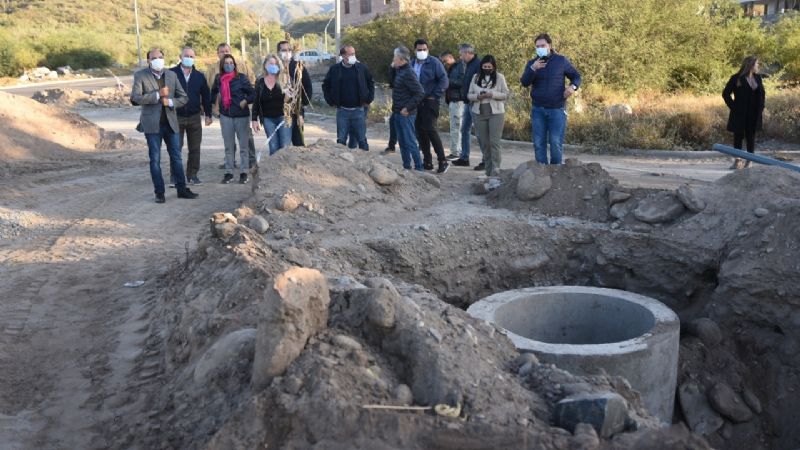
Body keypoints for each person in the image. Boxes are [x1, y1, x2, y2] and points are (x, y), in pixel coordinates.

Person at [130, 48, 198, 203]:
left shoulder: (172, 75)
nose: (158, 60)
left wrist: (172, 102)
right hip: (152, 125)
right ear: (148, 61)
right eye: (154, 58)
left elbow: (184, 97)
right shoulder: (140, 75)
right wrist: (157, 95)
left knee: (177, 157)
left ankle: (182, 189)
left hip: (171, 122)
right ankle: (159, 192)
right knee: (155, 159)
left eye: (160, 57)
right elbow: (135, 97)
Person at [520, 33, 581, 165]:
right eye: (537, 46)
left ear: (550, 46)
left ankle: (556, 171)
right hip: (538, 109)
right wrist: (533, 69)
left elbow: (576, 76)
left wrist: (572, 87)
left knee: (555, 142)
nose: (540, 48)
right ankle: (541, 172)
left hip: (557, 109)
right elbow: (524, 82)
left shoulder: (561, 61)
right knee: (538, 143)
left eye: (543, 45)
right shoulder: (532, 63)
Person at [207, 43, 257, 170]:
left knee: (246, 137)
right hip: (223, 110)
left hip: (241, 110)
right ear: (217, 54)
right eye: (222, 51)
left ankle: (251, 160)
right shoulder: (213, 70)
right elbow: (209, 88)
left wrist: (246, 101)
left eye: (227, 51)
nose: (225, 53)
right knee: (228, 138)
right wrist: (210, 109)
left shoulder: (241, 66)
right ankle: (229, 161)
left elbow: (252, 83)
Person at [169, 46, 212, 186]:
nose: (189, 58)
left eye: (191, 56)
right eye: (186, 55)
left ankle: (192, 175)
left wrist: (208, 114)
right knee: (176, 148)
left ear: (194, 59)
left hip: (194, 117)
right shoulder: (171, 74)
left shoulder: (199, 76)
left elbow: (206, 96)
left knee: (195, 148)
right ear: (180, 57)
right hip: (176, 116)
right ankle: (175, 176)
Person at [323, 45, 375, 151]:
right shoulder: (335, 69)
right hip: (342, 111)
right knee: (341, 140)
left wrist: (369, 99)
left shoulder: (361, 68)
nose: (353, 56)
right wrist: (330, 101)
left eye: (354, 54)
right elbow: (326, 85)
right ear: (343, 56)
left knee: (362, 139)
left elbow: (370, 82)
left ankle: (365, 161)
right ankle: (341, 165)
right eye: (350, 54)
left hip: (359, 110)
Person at [411, 39, 450, 174]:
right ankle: (427, 161)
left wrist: (435, 94)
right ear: (414, 50)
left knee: (430, 129)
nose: (422, 52)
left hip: (430, 101)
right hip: (416, 102)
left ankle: (442, 160)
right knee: (420, 131)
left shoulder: (434, 62)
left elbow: (444, 79)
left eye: (424, 49)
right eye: (419, 49)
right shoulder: (411, 63)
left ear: (428, 50)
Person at [467, 55, 509, 177]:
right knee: (485, 143)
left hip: (496, 113)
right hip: (479, 112)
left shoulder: (500, 77)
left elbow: (505, 94)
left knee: (494, 142)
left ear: (493, 67)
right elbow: (469, 95)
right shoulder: (475, 77)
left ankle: (496, 169)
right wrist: (478, 97)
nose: (486, 68)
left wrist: (492, 94)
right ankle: (488, 171)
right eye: (484, 66)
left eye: (489, 67)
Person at [722, 55, 765, 169]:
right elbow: (725, 94)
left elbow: (762, 95)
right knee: (738, 136)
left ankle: (749, 161)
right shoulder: (736, 78)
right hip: (739, 113)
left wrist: (761, 108)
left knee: (751, 137)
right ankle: (737, 161)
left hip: (754, 113)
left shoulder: (758, 78)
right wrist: (734, 107)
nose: (758, 66)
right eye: (756, 64)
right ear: (751, 65)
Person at [391, 46, 425, 171]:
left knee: (410, 141)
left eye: (395, 57)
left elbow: (420, 92)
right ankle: (406, 166)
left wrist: (407, 108)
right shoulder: (400, 70)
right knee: (402, 141)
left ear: (401, 59)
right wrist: (392, 68)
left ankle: (419, 168)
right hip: (397, 111)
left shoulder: (409, 73)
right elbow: (392, 83)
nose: (393, 60)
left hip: (406, 113)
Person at [251, 54, 292, 156]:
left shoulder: (284, 80)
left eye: (275, 64)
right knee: (273, 146)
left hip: (284, 117)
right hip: (268, 119)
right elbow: (256, 101)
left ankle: (286, 170)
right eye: (271, 64)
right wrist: (254, 119)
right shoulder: (260, 82)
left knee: (285, 146)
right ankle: (274, 171)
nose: (273, 66)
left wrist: (289, 96)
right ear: (265, 65)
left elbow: (290, 101)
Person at [451, 44, 482, 169]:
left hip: (476, 103)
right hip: (467, 102)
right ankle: (464, 158)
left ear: (468, 53)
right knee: (464, 130)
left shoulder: (477, 65)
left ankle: (486, 159)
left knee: (480, 132)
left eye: (461, 54)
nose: (460, 56)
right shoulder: (468, 65)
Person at [277, 40, 313, 147]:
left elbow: (307, 85)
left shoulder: (298, 67)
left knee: (298, 142)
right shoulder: (275, 66)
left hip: (296, 110)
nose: (287, 52)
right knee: (283, 143)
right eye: (284, 50)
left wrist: (303, 105)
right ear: (278, 52)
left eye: (289, 50)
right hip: (279, 111)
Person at [440, 51, 465, 160]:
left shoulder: (460, 67)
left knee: (456, 127)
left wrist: (447, 81)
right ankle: (455, 151)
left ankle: (456, 152)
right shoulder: (451, 68)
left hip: (458, 101)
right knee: (454, 127)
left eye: (445, 61)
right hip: (452, 100)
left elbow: (462, 82)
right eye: (443, 62)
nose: (444, 63)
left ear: (450, 58)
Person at [383, 63, 398, 154]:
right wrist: (391, 68)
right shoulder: (397, 70)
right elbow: (392, 83)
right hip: (397, 105)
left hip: (407, 106)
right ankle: (391, 146)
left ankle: (420, 146)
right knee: (393, 123)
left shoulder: (408, 71)